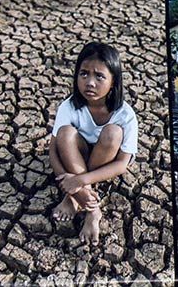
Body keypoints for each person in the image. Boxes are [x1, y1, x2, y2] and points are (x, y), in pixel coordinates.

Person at [47, 42, 139, 245]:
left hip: (105, 159)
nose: (90, 82)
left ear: (113, 81)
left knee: (113, 134)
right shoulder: (70, 106)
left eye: (99, 76)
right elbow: (53, 150)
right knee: (65, 133)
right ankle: (93, 210)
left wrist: (79, 182)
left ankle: (75, 199)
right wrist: (75, 189)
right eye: (84, 74)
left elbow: (122, 164)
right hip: (76, 154)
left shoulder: (125, 115)